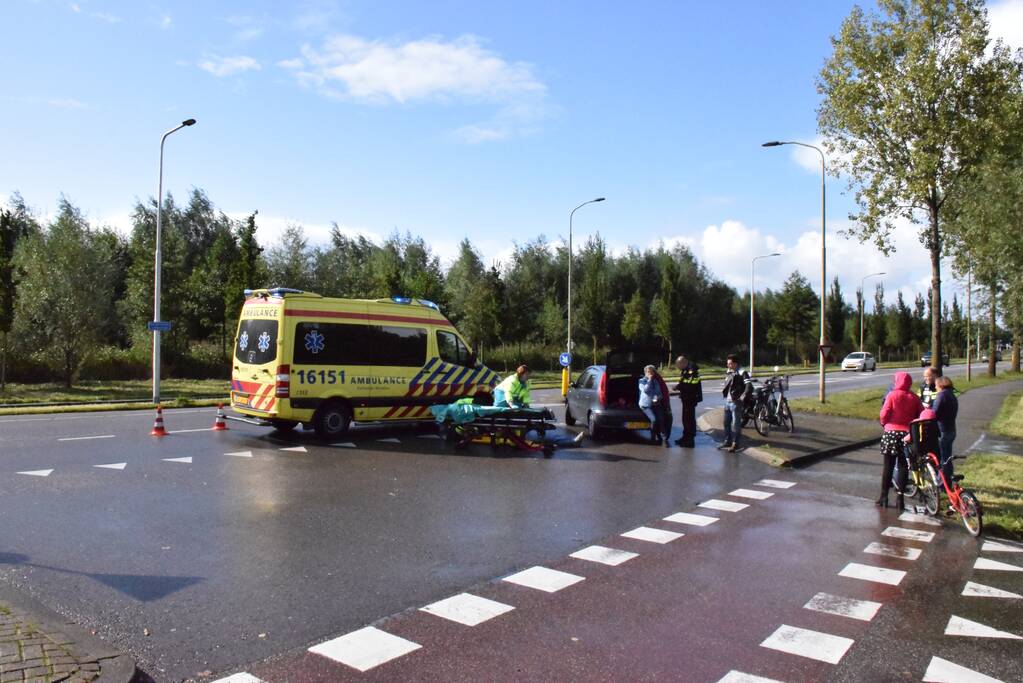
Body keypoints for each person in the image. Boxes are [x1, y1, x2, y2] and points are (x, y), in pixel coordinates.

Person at [878, 371, 923, 510]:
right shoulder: (914, 398)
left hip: (891, 432)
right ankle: (900, 498)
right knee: (903, 466)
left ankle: (884, 497)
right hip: (907, 434)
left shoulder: (892, 395)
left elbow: (884, 413)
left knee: (888, 466)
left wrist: (884, 423)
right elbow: (921, 414)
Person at [931, 375, 959, 488]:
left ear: (941, 385)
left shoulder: (942, 395)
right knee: (948, 458)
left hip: (943, 430)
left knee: (943, 458)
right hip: (951, 429)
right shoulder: (952, 395)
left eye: (936, 386)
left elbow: (934, 413)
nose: (936, 388)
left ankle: (942, 484)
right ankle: (948, 480)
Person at [720, 354, 751, 453]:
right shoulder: (729, 372)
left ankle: (735, 443)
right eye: (727, 363)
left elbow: (748, 385)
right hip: (727, 402)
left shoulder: (742, 372)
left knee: (736, 424)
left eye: (730, 364)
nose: (728, 365)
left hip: (736, 402)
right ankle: (727, 441)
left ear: (735, 363)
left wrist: (742, 397)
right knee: (726, 423)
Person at [673, 354, 703, 447]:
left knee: (688, 420)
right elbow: (684, 381)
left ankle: (689, 440)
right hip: (686, 397)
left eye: (679, 366)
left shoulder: (691, 370)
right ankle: (685, 437)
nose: (678, 368)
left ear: (682, 363)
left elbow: (689, 384)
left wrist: (677, 387)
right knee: (685, 419)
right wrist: (679, 386)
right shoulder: (686, 369)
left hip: (690, 398)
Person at [638, 365, 667, 446]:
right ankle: (653, 437)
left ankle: (664, 439)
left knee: (661, 419)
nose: (650, 374)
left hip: (655, 404)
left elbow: (659, 393)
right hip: (646, 405)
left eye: (652, 372)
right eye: (648, 372)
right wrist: (650, 380)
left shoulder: (656, 381)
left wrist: (658, 397)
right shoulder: (641, 381)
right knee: (654, 420)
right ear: (645, 373)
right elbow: (645, 390)